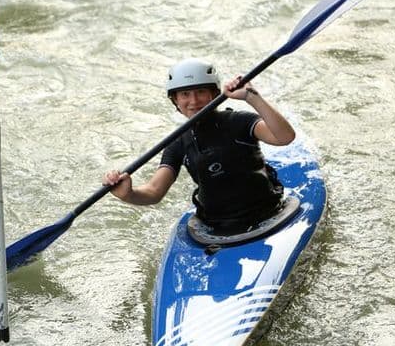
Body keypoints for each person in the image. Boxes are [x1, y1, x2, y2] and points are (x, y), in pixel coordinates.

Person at [102, 58, 296, 232]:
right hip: (217, 226)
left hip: (268, 212)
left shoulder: (239, 122)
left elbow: (284, 137)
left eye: (201, 92)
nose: (193, 101)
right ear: (175, 100)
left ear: (214, 93)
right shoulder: (177, 143)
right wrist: (128, 194)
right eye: (185, 94)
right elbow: (154, 192)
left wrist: (252, 97)